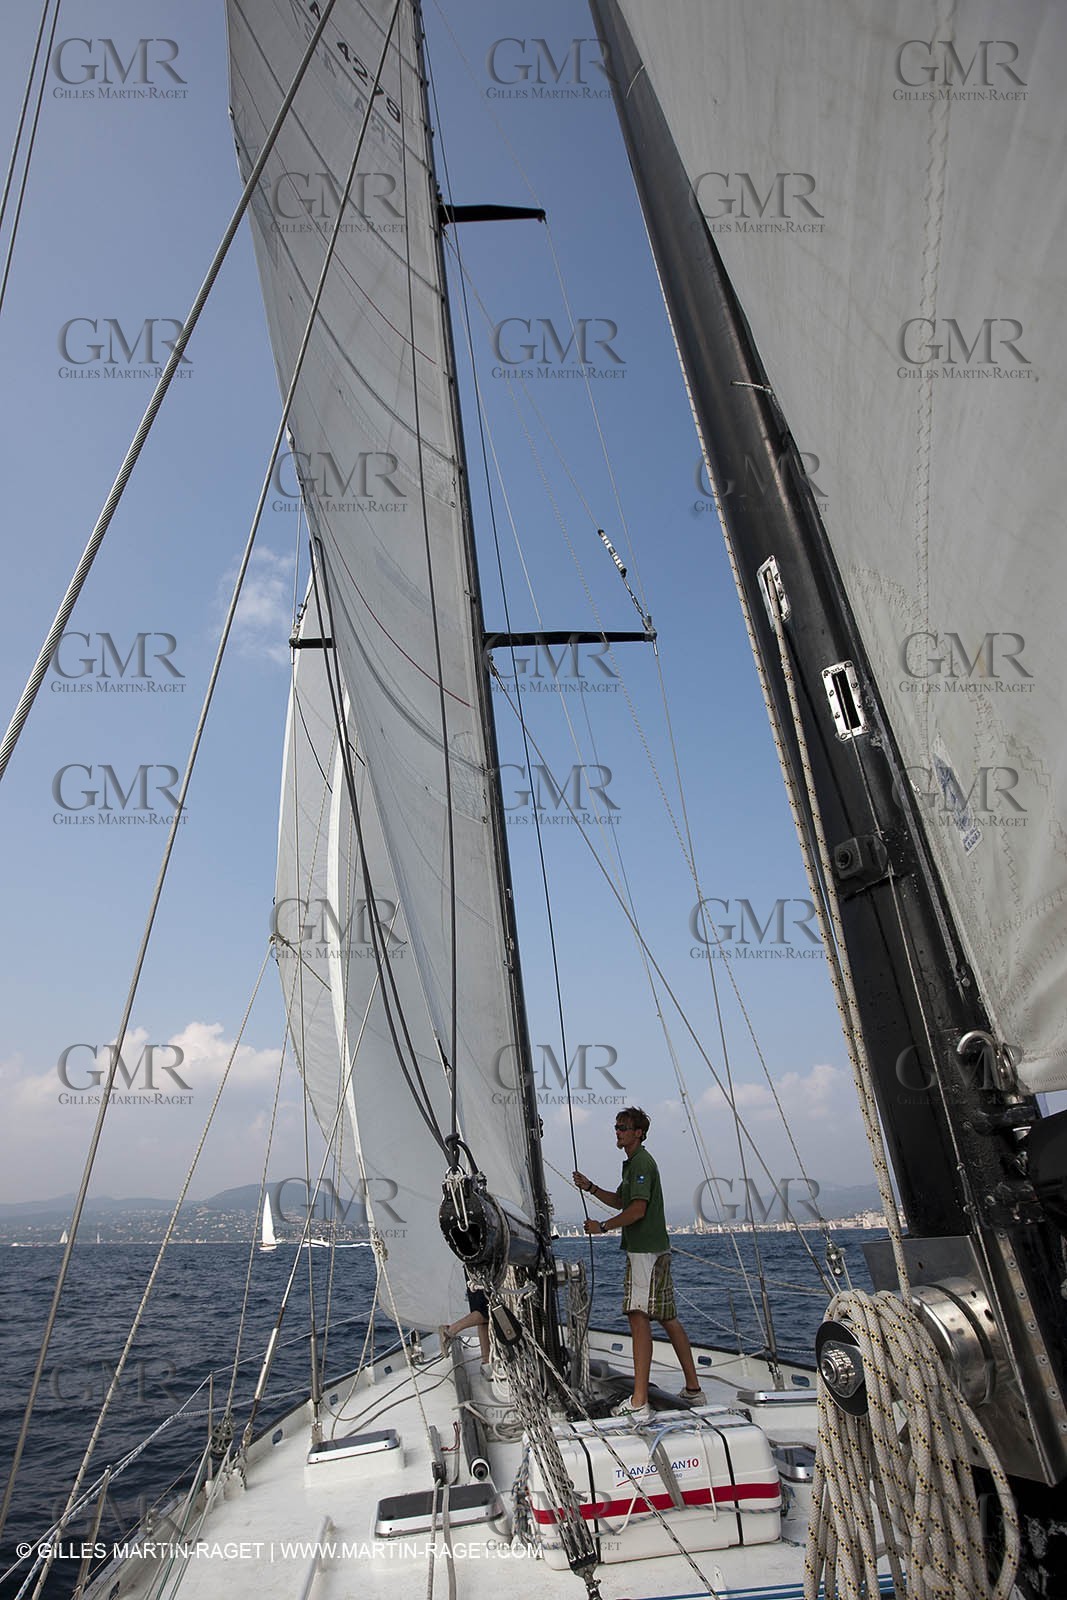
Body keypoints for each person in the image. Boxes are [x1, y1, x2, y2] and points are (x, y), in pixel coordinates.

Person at [573, 1106, 704, 1422]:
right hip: (652, 1251)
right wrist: (590, 1187)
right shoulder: (632, 1165)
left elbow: (637, 1211)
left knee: (637, 1316)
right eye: (616, 1126)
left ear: (638, 1133)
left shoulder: (642, 1163)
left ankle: (639, 1401)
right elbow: (622, 1201)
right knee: (667, 1317)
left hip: (646, 1253)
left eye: (623, 1127)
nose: (617, 1131)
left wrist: (602, 1227)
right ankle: (693, 1389)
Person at [439, 1278, 492, 1380]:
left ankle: (487, 1363)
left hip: (476, 1273)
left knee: (483, 1315)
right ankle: (450, 1331)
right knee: (486, 1311)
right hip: (479, 1273)